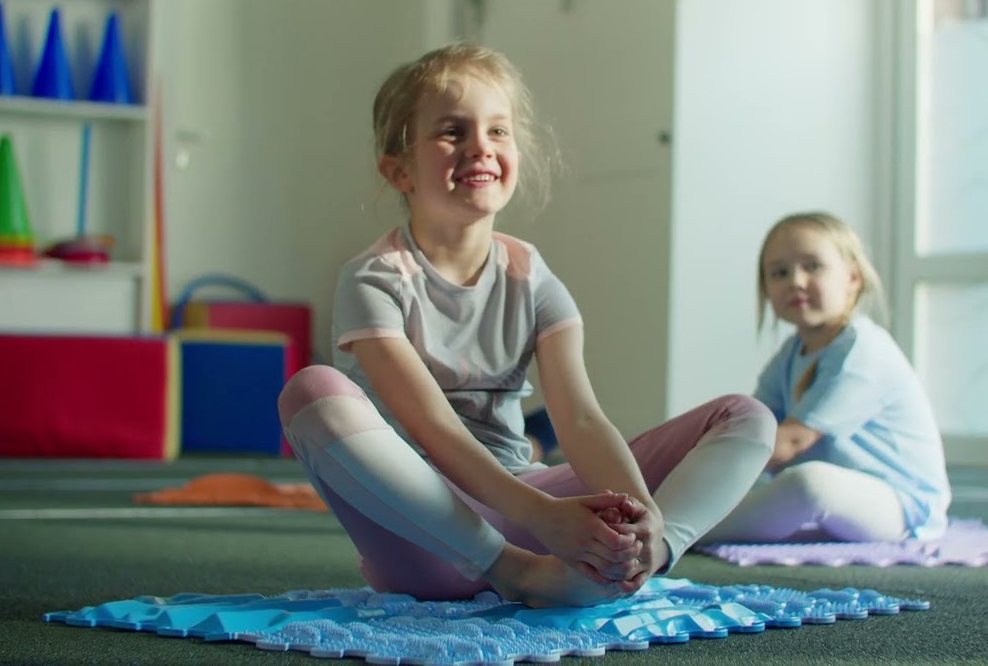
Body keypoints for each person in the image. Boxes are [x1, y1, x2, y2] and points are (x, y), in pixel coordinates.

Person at [277, 42, 775, 609]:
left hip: (527, 506)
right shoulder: (372, 278)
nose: (479, 149)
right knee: (310, 392)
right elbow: (434, 428)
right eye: (451, 132)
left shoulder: (531, 276)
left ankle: (650, 559)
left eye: (497, 131)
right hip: (423, 532)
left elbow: (582, 419)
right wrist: (539, 515)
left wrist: (643, 519)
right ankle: (511, 571)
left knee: (746, 417)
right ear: (398, 169)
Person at [701, 212, 951, 545]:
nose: (796, 281)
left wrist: (700, 469)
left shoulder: (861, 349)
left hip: (902, 507)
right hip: (848, 498)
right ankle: (683, 518)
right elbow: (754, 428)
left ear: (853, 278)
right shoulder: (791, 354)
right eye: (779, 273)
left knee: (808, 485)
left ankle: (683, 529)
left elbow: (788, 442)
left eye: (813, 267)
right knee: (757, 477)